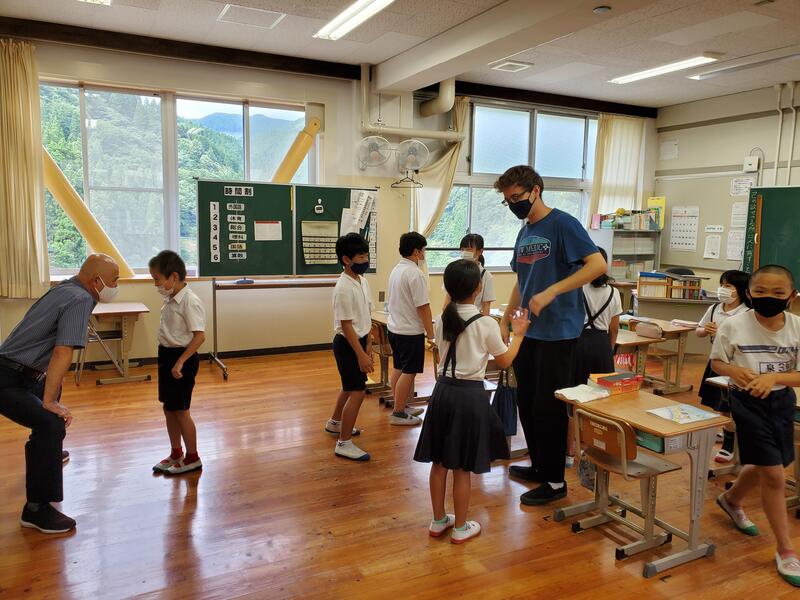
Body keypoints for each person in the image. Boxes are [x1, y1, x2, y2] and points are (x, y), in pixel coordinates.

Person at [496, 165, 606, 506]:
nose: (513, 204)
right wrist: (506, 317)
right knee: (527, 405)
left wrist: (553, 291)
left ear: (536, 190)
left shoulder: (563, 224)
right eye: (507, 200)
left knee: (549, 409)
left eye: (517, 197)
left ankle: (556, 481)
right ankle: (540, 466)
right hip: (528, 331)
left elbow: (597, 265)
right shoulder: (525, 232)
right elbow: (521, 280)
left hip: (559, 334)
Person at [0, 253, 119, 533]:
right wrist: (50, 402)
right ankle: (36, 511)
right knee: (51, 423)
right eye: (114, 281)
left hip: (19, 371)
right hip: (7, 379)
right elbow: (63, 350)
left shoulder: (65, 287)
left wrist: (50, 395)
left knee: (51, 393)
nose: (116, 286)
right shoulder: (80, 299)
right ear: (96, 281)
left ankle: (49, 451)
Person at [414, 259, 530, 544]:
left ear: (448, 288)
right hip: (469, 396)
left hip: (442, 392)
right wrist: (519, 335)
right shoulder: (486, 323)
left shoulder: (442, 319)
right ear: (478, 288)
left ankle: (438, 520)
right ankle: (461, 526)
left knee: (439, 462)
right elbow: (505, 361)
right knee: (462, 466)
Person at [711, 264, 800, 587]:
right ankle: (786, 550)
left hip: (781, 402)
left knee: (767, 462)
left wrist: (774, 378)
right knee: (774, 475)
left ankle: (731, 499)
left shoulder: (797, 327)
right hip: (746, 403)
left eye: (778, 292)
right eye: (760, 291)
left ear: (791, 296)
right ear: (749, 293)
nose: (768, 297)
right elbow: (717, 362)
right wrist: (734, 372)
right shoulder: (733, 325)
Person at [149, 250, 205, 475]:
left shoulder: (189, 301)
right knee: (169, 408)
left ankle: (193, 457)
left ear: (173, 276)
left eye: (157, 279)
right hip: (166, 356)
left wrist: (181, 362)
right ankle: (176, 453)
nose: (155, 284)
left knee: (181, 410)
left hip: (183, 359)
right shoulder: (170, 297)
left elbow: (199, 337)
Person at [568, 247, 622, 466]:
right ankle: (597, 449)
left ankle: (570, 450)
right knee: (601, 399)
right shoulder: (614, 292)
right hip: (601, 345)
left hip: (578, 342)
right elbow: (614, 329)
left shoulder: (577, 288)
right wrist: (608, 351)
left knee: (573, 397)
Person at [326, 233, 374, 461]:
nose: (366, 260)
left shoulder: (362, 281)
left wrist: (369, 344)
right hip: (347, 344)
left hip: (360, 341)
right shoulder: (343, 287)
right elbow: (346, 325)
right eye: (361, 256)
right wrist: (361, 355)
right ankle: (343, 443)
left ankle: (335, 423)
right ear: (346, 260)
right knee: (357, 392)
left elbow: (365, 315)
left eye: (366, 255)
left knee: (348, 387)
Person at [696, 269, 750, 463]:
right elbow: (699, 330)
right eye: (721, 285)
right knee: (720, 404)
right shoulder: (714, 308)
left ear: (741, 290)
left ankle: (729, 444)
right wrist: (705, 330)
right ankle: (728, 431)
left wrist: (722, 334)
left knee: (729, 407)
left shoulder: (747, 313)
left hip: (736, 365)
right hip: (717, 361)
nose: (722, 289)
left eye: (728, 286)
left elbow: (747, 339)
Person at [386, 232, 435, 426]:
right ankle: (398, 412)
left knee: (399, 368)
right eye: (423, 250)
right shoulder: (415, 273)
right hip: (409, 331)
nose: (424, 254)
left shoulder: (397, 270)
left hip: (395, 328)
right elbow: (423, 307)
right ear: (416, 252)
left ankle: (401, 405)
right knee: (409, 371)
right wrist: (430, 333)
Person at [442, 234, 496, 316]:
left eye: (468, 249)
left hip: (474, 317)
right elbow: (447, 301)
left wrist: (484, 322)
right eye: (462, 249)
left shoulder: (486, 276)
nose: (464, 252)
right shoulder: (454, 271)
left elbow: (486, 306)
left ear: (480, 251)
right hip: (454, 317)